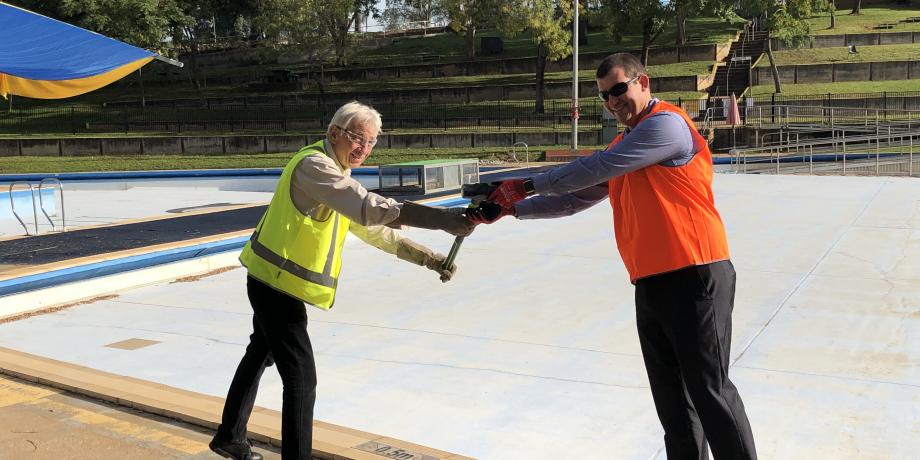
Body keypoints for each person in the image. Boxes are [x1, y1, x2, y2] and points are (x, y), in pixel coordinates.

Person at [469, 53, 757, 459]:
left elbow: (594, 168)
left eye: (619, 89)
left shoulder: (666, 126)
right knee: (673, 405)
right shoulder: (625, 143)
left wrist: (527, 183)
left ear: (644, 83)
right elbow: (574, 199)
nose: (613, 101)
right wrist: (509, 208)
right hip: (651, 281)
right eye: (605, 96)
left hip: (696, 273)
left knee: (711, 390)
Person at [210, 101, 474, 460]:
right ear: (335, 133)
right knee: (302, 381)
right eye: (358, 139)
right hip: (276, 286)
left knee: (261, 351)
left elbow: (375, 231)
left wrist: (429, 258)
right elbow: (368, 207)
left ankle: (230, 436)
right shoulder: (314, 167)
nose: (364, 149)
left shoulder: (335, 174)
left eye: (371, 143)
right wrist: (442, 218)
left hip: (270, 278)